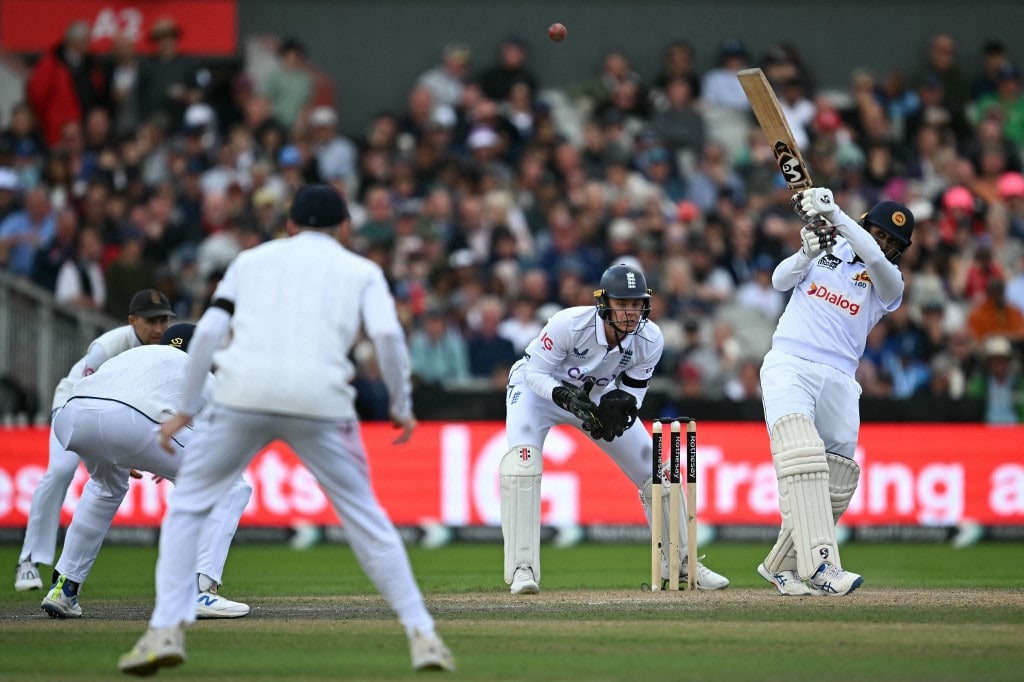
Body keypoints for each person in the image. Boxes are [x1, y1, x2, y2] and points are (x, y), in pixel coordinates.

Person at [118, 185, 454, 675]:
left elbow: (207, 333)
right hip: (322, 399)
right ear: (344, 229)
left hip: (241, 394)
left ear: (290, 225)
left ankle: (165, 629)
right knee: (367, 520)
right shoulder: (361, 270)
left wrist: (187, 407)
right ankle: (423, 636)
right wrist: (401, 405)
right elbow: (387, 335)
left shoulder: (250, 260)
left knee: (189, 506)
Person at [500, 262, 729, 595]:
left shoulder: (650, 338)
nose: (630, 313)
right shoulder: (568, 324)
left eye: (636, 304)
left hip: (593, 397)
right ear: (604, 303)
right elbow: (535, 373)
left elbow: (631, 395)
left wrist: (617, 412)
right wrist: (562, 396)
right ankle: (523, 568)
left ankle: (681, 564)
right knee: (522, 467)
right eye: (622, 304)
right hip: (539, 393)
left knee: (657, 471)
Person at [757, 187, 916, 597]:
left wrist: (838, 214)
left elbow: (876, 259)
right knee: (802, 454)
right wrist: (806, 254)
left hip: (842, 378)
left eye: (893, 243)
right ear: (867, 226)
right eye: (879, 234)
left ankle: (780, 565)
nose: (884, 245)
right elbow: (779, 281)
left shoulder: (889, 282)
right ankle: (823, 565)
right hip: (790, 362)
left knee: (839, 477)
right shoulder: (827, 247)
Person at [42, 324, 251, 619]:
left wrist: (153, 455)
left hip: (75, 417)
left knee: (105, 489)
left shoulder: (133, 356)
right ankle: (199, 589)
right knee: (230, 485)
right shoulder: (196, 368)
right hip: (134, 420)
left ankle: (64, 589)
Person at [14, 289, 173, 591]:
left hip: (115, 415)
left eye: (164, 320)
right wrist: (113, 453)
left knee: (109, 484)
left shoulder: (165, 347)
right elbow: (86, 400)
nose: (159, 328)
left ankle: (66, 580)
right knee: (60, 472)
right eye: (151, 321)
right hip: (73, 405)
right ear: (131, 321)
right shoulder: (106, 346)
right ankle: (28, 560)